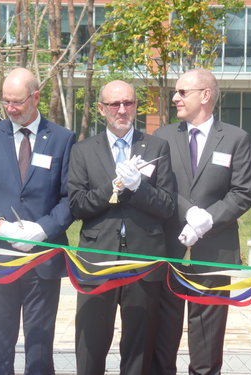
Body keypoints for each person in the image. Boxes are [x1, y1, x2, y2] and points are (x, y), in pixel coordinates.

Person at [0, 67, 76, 375]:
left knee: (40, 347)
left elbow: (71, 197)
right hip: (0, 258)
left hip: (42, 259)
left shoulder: (61, 139)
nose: (10, 108)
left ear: (36, 97)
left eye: (17, 102)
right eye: (6, 101)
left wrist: (43, 228)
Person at [68, 80, 175, 375]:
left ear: (136, 106)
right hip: (97, 260)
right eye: (115, 104)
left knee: (139, 349)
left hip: (144, 259)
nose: (122, 109)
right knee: (90, 345)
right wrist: (113, 187)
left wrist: (139, 187)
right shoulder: (83, 151)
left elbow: (167, 206)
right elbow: (77, 206)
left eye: (128, 103)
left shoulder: (156, 147)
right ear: (102, 109)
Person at [153, 69, 251, 375]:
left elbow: (243, 192)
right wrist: (188, 213)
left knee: (207, 350)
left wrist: (206, 219)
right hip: (170, 252)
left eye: (183, 92)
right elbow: (160, 187)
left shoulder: (236, 138)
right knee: (161, 343)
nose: (175, 98)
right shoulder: (163, 137)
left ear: (205, 95)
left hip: (214, 254)